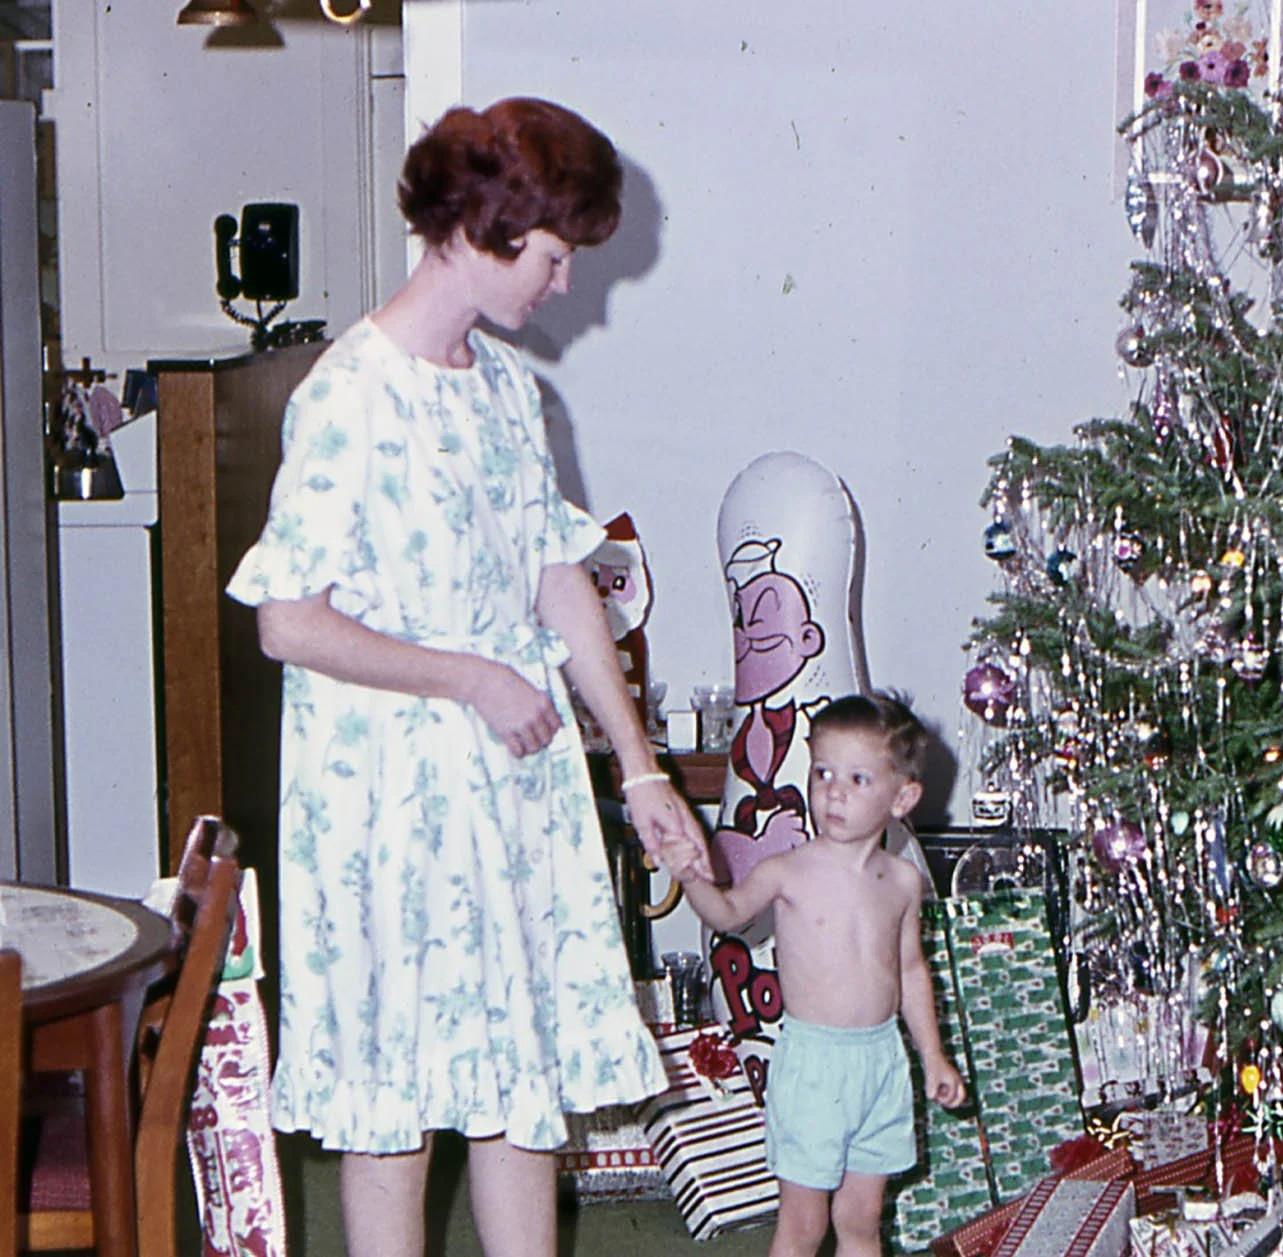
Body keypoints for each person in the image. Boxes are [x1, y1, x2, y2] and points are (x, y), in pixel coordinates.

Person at [225, 97, 711, 1257]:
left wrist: (641, 773)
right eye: (551, 258)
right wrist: (467, 678)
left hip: (514, 783)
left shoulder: (505, 392)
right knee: (394, 1108)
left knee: (515, 1078)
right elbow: (287, 621)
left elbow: (559, 580)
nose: (560, 286)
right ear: (486, 230)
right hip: (387, 796)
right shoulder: (347, 396)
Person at [670, 692, 968, 1257]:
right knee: (804, 1224)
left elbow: (910, 970)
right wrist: (693, 879)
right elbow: (728, 915)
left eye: (857, 779)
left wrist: (932, 1055)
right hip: (813, 1064)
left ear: (902, 797)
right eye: (823, 772)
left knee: (861, 1219)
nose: (833, 791)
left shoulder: (903, 882)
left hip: (880, 1061)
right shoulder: (788, 870)